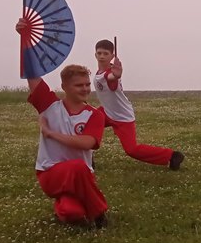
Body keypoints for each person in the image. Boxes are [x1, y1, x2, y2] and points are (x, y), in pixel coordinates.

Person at [16, 21, 108, 227]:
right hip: (51, 172)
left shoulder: (94, 115)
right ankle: (99, 214)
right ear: (64, 86)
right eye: (79, 85)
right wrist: (24, 38)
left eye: (87, 84)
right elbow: (31, 73)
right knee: (78, 167)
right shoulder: (49, 105)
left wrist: (50, 133)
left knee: (71, 212)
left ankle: (66, 207)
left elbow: (87, 143)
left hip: (81, 176)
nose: (85, 89)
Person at [93, 39, 184, 170]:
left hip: (122, 116)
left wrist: (117, 76)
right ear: (95, 54)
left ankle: (172, 156)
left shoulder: (110, 75)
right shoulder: (98, 73)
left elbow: (112, 79)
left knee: (131, 150)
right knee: (85, 123)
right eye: (99, 53)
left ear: (112, 56)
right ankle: (86, 157)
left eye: (105, 54)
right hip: (107, 111)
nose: (102, 56)